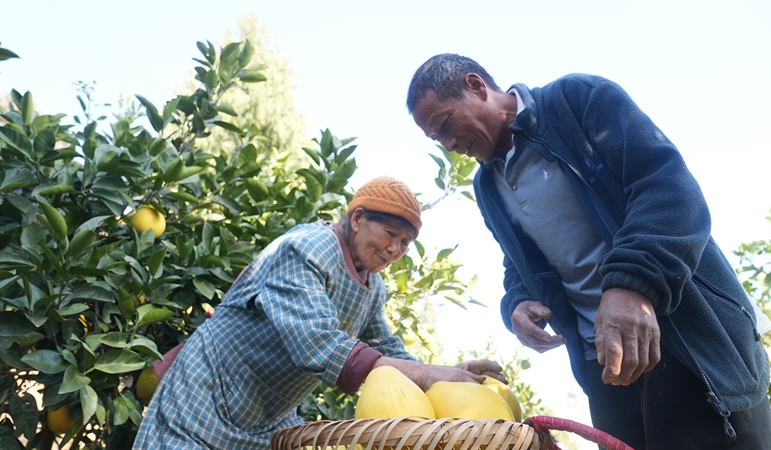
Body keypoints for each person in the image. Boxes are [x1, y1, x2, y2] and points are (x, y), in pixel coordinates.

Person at [406, 54, 771, 449]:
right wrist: (518, 301)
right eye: (436, 139)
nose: (448, 145)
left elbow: (668, 190)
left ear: (477, 87)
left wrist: (632, 285)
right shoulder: (486, 186)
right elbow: (518, 261)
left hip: (680, 337)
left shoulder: (576, 101)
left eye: (445, 124)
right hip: (604, 365)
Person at [133, 176, 506, 450]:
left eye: (405, 243)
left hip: (265, 419)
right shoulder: (307, 248)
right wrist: (428, 375)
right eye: (391, 234)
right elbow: (318, 344)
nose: (396, 250)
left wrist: (446, 377)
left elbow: (388, 352)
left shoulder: (373, 287)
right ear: (357, 219)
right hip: (205, 395)